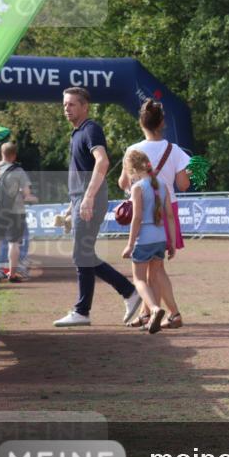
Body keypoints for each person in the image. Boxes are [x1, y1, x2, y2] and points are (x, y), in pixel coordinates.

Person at [55, 87, 140, 327]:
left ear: (84, 106)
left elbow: (102, 161)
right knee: (84, 255)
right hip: (81, 200)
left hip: (90, 200)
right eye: (64, 105)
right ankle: (125, 293)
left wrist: (88, 198)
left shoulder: (91, 129)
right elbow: (80, 176)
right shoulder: (76, 134)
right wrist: (71, 209)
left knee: (81, 255)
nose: (67, 109)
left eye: (72, 104)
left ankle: (87, 309)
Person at [118, 99, 190, 329]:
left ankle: (164, 313)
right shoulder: (174, 149)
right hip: (167, 209)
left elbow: (123, 183)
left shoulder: (133, 150)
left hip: (143, 214)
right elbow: (183, 184)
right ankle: (148, 314)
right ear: (162, 123)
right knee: (156, 269)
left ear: (141, 123)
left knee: (147, 271)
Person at [120, 149, 174, 334]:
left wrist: (129, 244)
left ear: (132, 169)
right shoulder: (162, 184)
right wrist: (172, 242)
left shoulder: (138, 187)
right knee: (156, 276)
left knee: (139, 279)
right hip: (160, 237)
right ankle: (152, 315)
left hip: (144, 238)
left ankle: (154, 308)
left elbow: (136, 218)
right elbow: (169, 215)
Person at [0, 142, 37, 285]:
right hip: (15, 212)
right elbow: (27, 194)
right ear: (14, 155)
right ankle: (12, 274)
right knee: (14, 243)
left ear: (1, 153)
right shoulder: (18, 171)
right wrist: (29, 197)